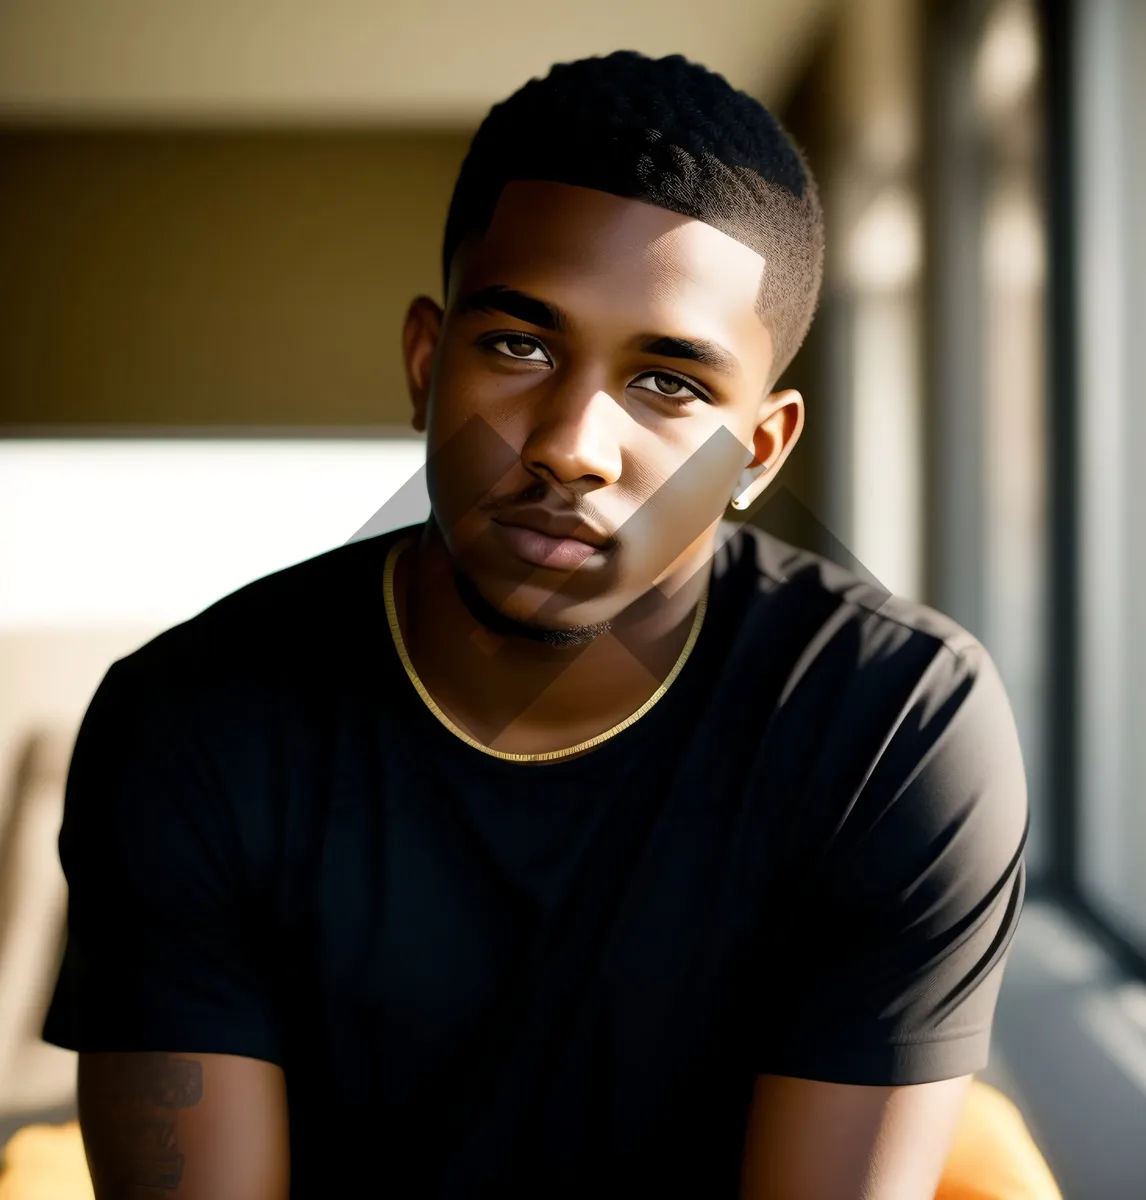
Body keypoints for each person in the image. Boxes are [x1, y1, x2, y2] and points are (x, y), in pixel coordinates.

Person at [43, 50, 1034, 1199]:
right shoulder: (192, 729)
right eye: (519, 346)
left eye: (670, 383)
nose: (572, 443)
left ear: (757, 452)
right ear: (426, 363)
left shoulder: (891, 729)